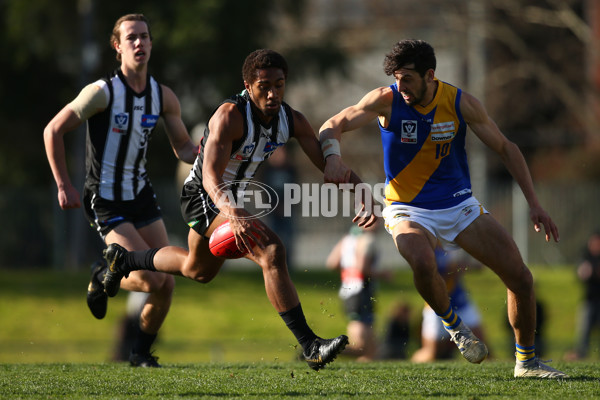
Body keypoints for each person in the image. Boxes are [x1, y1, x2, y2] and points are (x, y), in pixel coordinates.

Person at [100, 49, 377, 371]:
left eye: (279, 84)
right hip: (203, 195)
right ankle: (310, 345)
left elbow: (328, 166)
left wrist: (362, 193)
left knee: (197, 270)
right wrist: (232, 211)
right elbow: (209, 176)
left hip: (229, 200)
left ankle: (124, 259)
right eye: (264, 86)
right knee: (271, 250)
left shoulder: (292, 119)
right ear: (248, 85)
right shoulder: (229, 116)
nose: (272, 93)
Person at [318, 39, 568, 378]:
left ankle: (526, 362)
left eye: (407, 78)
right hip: (405, 207)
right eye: (396, 77)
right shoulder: (386, 100)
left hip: (459, 204)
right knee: (421, 260)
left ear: (430, 75)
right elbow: (333, 123)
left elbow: (507, 149)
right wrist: (333, 157)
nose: (400, 86)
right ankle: (454, 326)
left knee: (521, 278)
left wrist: (535, 205)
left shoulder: (460, 103)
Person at [43, 13, 198, 367]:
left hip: (141, 197)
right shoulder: (102, 92)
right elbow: (52, 130)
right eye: (131, 38)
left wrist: (214, 149)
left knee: (167, 284)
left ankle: (140, 354)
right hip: (106, 199)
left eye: (145, 36)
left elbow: (185, 149)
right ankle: (102, 272)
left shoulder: (163, 96)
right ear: (118, 47)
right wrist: (63, 185)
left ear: (152, 43)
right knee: (148, 279)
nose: (139, 43)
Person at [326, 221, 390, 361]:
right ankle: (321, 349)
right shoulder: (367, 240)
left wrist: (348, 274)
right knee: (361, 347)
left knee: (371, 350)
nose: (380, 222)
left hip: (348, 290)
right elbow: (363, 268)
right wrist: (383, 275)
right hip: (361, 291)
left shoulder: (348, 238)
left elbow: (332, 263)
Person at [411, 246, 488, 363]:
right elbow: (429, 274)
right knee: (432, 353)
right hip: (436, 306)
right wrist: (455, 267)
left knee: (482, 346)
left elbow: (471, 266)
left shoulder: (452, 243)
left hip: (460, 301)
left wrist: (472, 265)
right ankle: (412, 365)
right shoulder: (427, 247)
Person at [567, 230, 600, 360]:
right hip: (589, 300)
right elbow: (579, 273)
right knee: (584, 331)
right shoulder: (586, 258)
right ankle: (581, 354)